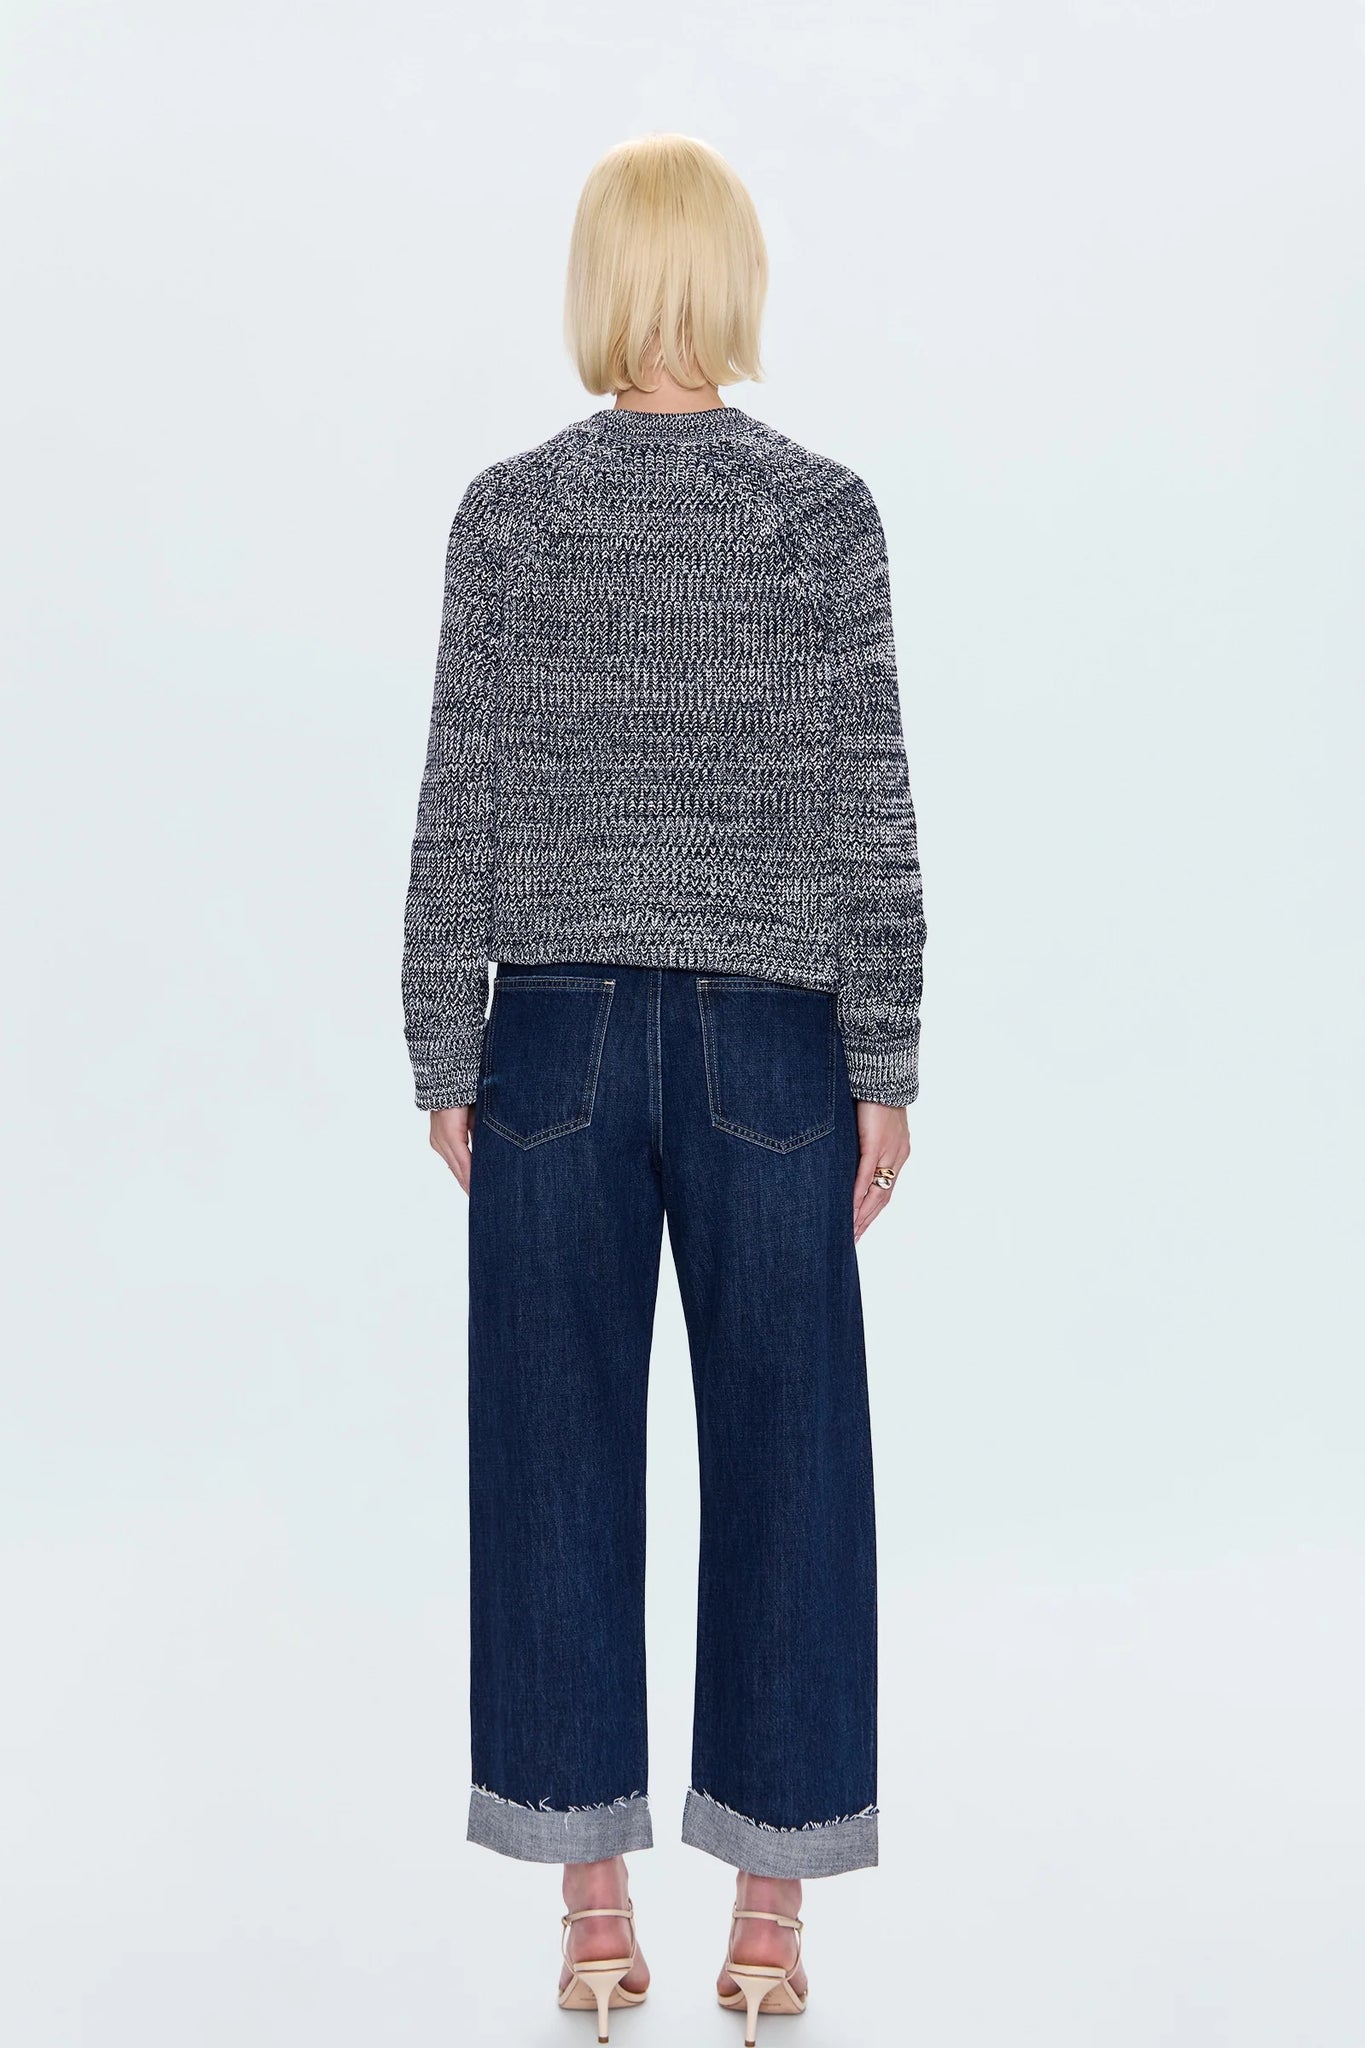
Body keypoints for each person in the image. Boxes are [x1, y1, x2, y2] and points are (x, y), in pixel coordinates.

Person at [401, 130, 927, 2044]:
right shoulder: (818, 516)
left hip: (547, 1038)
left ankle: (593, 1913)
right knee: (791, 1459)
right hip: (771, 1042)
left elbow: (458, 792)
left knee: (549, 1452)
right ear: (732, 277)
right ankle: (769, 1922)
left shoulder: (509, 517)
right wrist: (882, 1058)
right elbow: (869, 805)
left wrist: (438, 1042)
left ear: (599, 283)